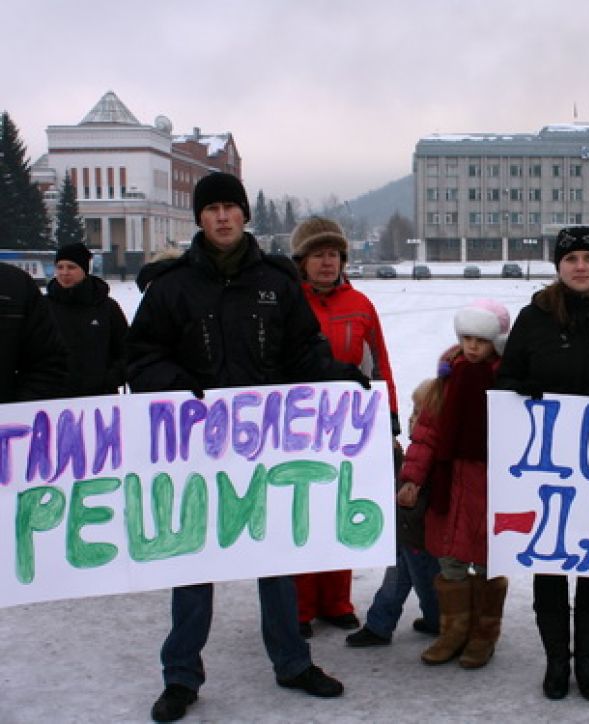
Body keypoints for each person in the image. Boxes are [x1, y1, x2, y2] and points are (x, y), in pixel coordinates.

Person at [127, 172, 369, 723]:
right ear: (199, 218)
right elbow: (139, 355)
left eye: (229, 207)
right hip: (195, 449)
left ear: (243, 215)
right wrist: (175, 385)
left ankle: (292, 662)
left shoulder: (276, 281)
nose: (221, 217)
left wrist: (338, 374)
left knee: (275, 560)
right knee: (194, 561)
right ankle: (181, 675)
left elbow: (303, 350)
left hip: (264, 448)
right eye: (210, 208)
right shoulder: (171, 286)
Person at [496, 226, 589, 701]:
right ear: (557, 266)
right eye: (571, 258)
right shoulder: (534, 317)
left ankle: (588, 660)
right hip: (546, 467)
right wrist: (520, 390)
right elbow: (506, 381)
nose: (580, 266)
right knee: (551, 564)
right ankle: (556, 661)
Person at [289, 217, 402, 637]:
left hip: (348, 430)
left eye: (333, 254)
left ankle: (335, 600)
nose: (326, 262)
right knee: (301, 512)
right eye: (318, 254)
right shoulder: (289, 303)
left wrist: (387, 414)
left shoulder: (361, 304)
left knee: (339, 508)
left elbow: (381, 364)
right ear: (302, 261)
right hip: (297, 427)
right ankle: (299, 606)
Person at [396, 299, 512, 670]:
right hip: (449, 487)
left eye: (481, 339)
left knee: (486, 563)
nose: (473, 347)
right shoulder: (443, 385)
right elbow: (426, 437)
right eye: (467, 338)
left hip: (491, 491)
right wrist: (412, 478)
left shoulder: (507, 386)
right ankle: (452, 631)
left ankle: (483, 635)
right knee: (451, 563)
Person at [346, 378, 441, 647]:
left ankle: (439, 621)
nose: (412, 419)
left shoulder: (434, 457)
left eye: (418, 414)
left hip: (421, 538)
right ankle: (379, 625)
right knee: (395, 583)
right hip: (405, 534)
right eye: (412, 412)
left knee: (429, 588)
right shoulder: (415, 450)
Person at [46, 242, 128, 397]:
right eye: (60, 267)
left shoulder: (107, 307)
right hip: (52, 399)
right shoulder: (43, 307)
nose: (64, 273)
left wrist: (110, 378)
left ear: (84, 270)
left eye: (71, 267)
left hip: (100, 399)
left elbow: (127, 350)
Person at [0, 261, 68, 402]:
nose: (65, 272)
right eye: (60, 267)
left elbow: (48, 362)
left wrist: (19, 412)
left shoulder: (15, 284)